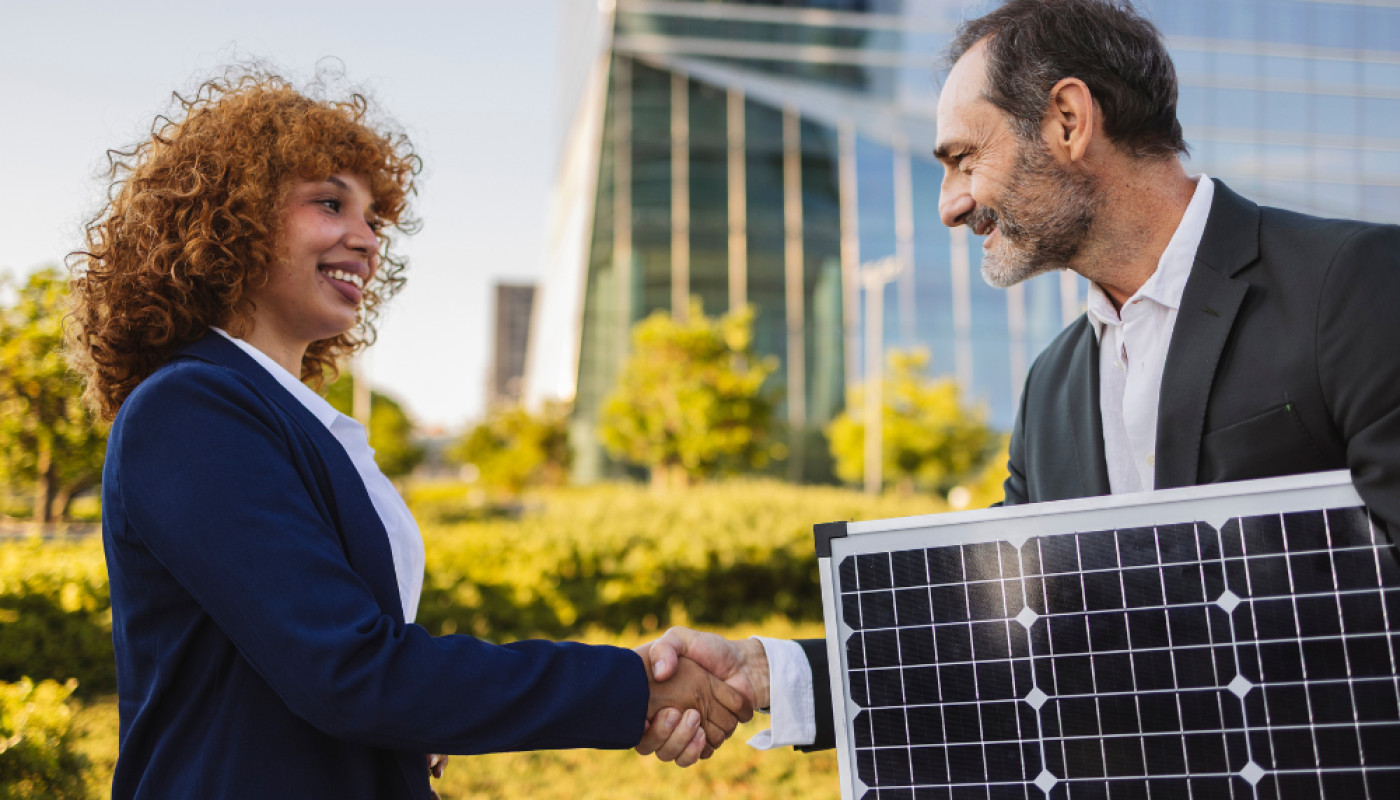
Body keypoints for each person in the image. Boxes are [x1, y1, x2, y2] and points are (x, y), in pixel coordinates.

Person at [638, 0, 1400, 756]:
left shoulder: (1356, 284)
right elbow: (1007, 631)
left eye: (964, 158)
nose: (951, 205)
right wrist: (769, 673)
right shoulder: (1052, 388)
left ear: (1069, 119)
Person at [67, 70, 750, 799]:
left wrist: (418, 721)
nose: (367, 240)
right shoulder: (189, 408)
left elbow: (310, 671)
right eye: (331, 203)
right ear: (231, 218)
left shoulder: (282, 415)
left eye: (374, 221)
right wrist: (635, 688)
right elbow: (351, 672)